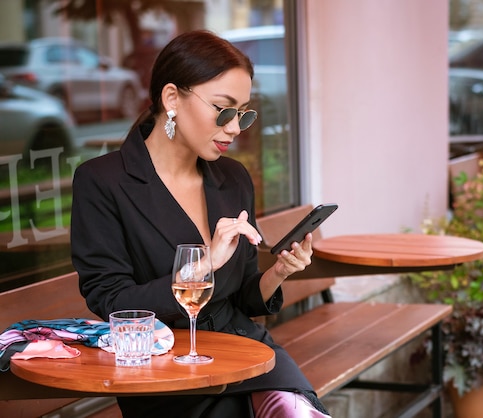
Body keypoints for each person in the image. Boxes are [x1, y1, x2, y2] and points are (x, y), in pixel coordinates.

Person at [71, 30, 330, 418]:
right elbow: (113, 305)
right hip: (167, 373)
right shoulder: (103, 181)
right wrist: (201, 265)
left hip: (248, 355)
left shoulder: (233, 177)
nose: (235, 127)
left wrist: (278, 271)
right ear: (172, 97)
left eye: (244, 112)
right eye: (223, 110)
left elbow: (243, 296)